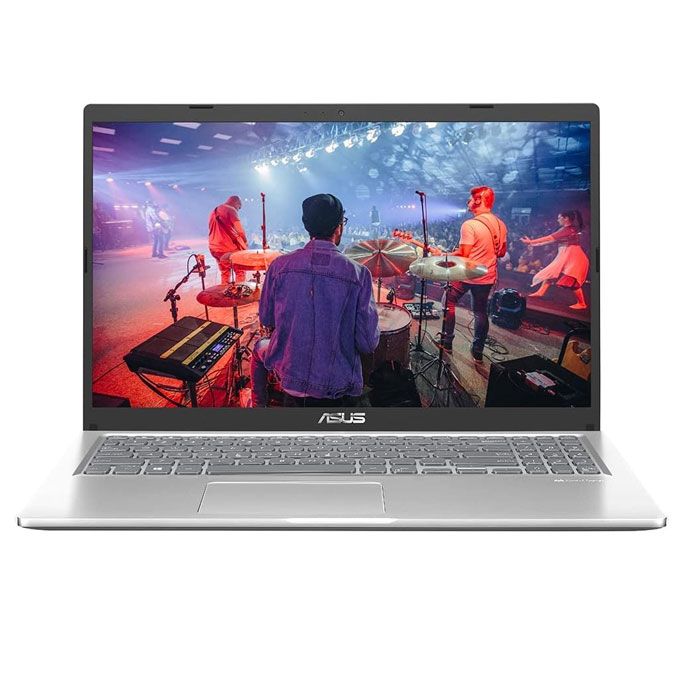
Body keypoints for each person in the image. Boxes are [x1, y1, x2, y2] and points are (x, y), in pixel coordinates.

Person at [250, 193, 380, 407]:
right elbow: (368, 343)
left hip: (290, 379)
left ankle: (258, 405)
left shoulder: (279, 267)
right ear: (339, 227)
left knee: (259, 347)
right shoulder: (359, 274)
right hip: (336, 387)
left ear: (307, 227)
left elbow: (266, 319)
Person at [439, 185, 508, 362]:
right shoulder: (500, 225)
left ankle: (447, 342)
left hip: (467, 274)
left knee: (448, 302)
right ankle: (477, 351)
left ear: (478, 200)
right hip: (487, 276)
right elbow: (501, 252)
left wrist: (446, 254)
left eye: (470, 199)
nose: (468, 202)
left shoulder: (470, 224)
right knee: (480, 311)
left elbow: (464, 254)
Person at [520, 210, 589, 310]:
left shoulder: (567, 230)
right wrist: (531, 243)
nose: (557, 220)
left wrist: (531, 241)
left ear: (566, 218)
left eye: (559, 218)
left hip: (575, 259)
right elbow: (550, 241)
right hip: (567, 257)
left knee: (571, 281)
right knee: (552, 273)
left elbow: (548, 238)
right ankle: (541, 292)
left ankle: (582, 303)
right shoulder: (567, 230)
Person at [208, 195, 247, 284]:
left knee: (225, 273)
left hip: (215, 248)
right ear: (236, 203)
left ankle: (224, 291)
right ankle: (239, 291)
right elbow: (240, 231)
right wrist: (245, 241)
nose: (238, 210)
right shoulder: (231, 210)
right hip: (227, 248)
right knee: (240, 271)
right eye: (239, 207)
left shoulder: (214, 211)